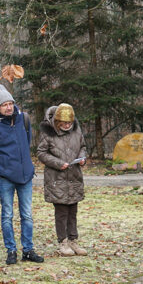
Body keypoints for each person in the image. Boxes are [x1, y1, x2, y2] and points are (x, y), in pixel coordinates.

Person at [0, 84, 44, 265]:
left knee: (27, 215)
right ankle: (11, 250)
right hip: (5, 178)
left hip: (26, 177)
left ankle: (28, 250)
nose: (8, 107)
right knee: (7, 215)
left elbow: (27, 142)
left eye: (10, 103)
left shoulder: (23, 119)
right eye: (4, 105)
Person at [36, 103, 87, 257]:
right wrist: (58, 163)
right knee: (62, 212)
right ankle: (63, 242)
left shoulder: (76, 130)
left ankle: (73, 240)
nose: (67, 126)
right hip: (56, 178)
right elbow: (41, 153)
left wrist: (83, 157)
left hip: (74, 176)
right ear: (57, 122)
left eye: (69, 123)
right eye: (64, 123)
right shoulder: (48, 133)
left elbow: (83, 146)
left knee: (73, 211)